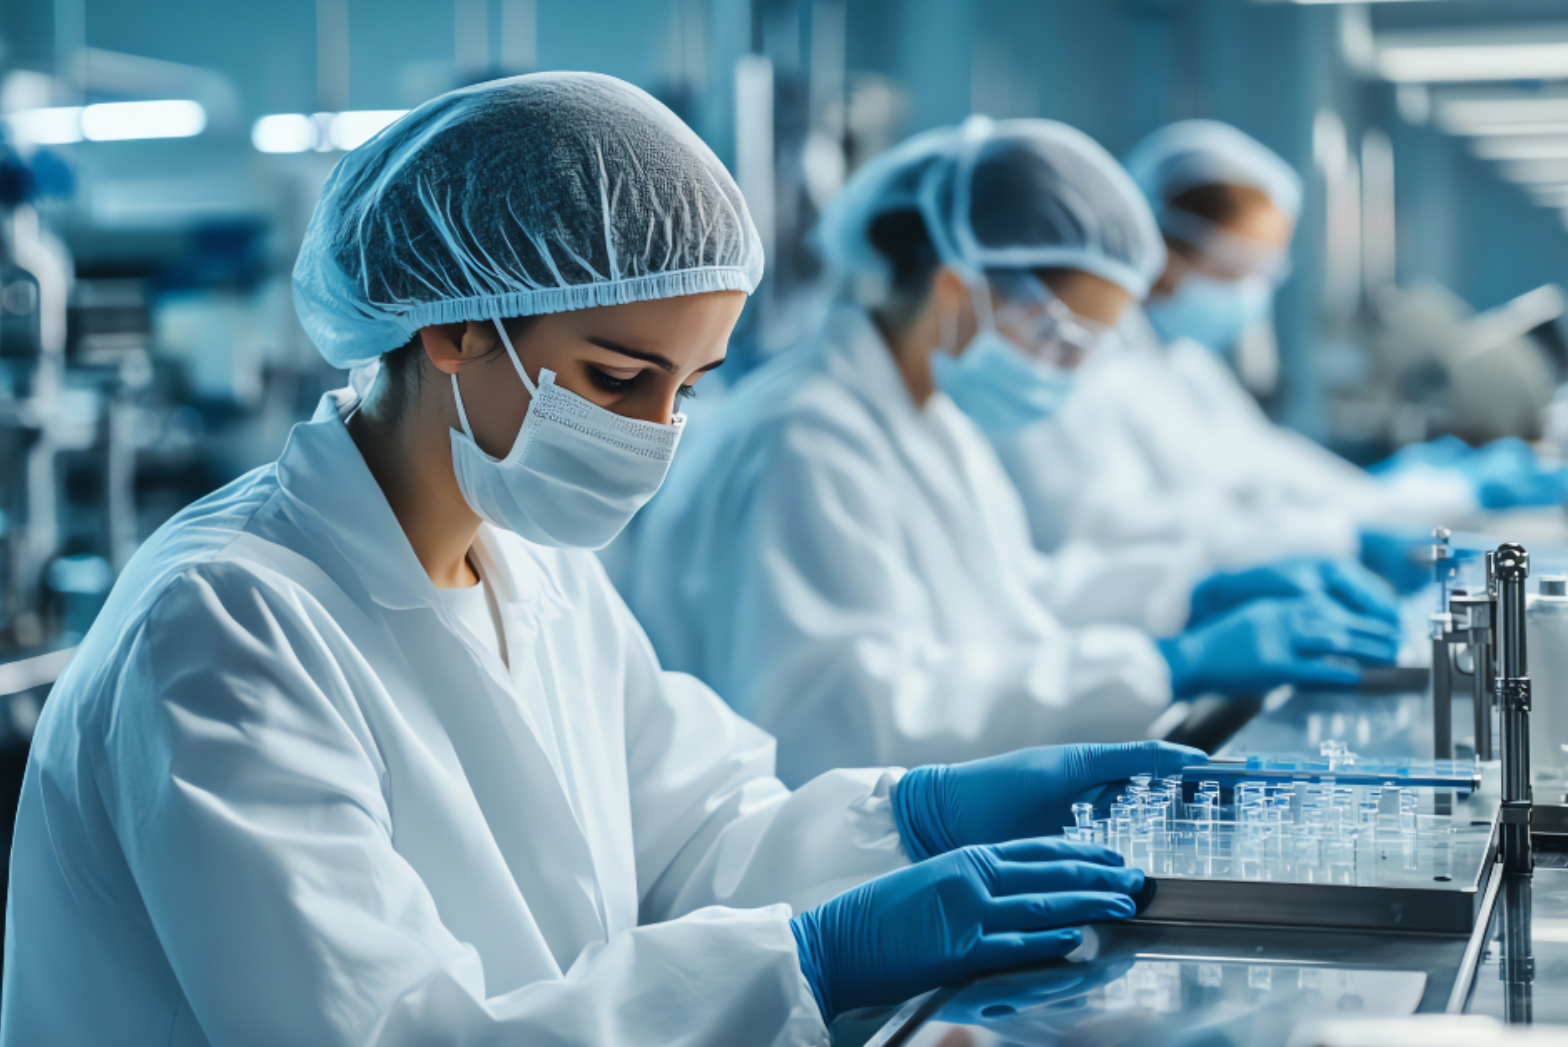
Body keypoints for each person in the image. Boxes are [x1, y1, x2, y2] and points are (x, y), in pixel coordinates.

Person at [1, 75, 1200, 1047]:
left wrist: (917, 820)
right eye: (622, 379)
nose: (654, 434)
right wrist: (809, 961)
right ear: (452, 321)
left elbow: (694, 837)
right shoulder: (223, 625)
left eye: (687, 387)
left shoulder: (531, 559)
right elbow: (384, 1034)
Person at [624, 117, 1400, 788]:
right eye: (1060, 338)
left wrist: (1188, 595)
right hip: (823, 875)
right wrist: (1167, 663)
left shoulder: (931, 419)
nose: (1071, 373)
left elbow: (1020, 603)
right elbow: (842, 711)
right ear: (957, 291)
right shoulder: (804, 437)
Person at [993, 119, 1568, 586]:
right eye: (1235, 269)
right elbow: (1110, 532)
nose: (1250, 293)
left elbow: (1270, 473)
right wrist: (1342, 532)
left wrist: (1417, 492)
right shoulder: (1073, 367)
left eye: (1264, 271)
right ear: (1162, 244)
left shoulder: (1184, 366)